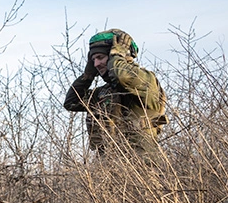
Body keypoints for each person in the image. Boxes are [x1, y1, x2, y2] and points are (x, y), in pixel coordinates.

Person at [64, 29, 166, 157]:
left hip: (143, 168)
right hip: (110, 170)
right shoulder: (104, 93)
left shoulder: (146, 81)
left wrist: (117, 55)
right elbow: (72, 102)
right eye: (93, 60)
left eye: (100, 58)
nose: (96, 64)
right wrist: (87, 76)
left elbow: (122, 76)